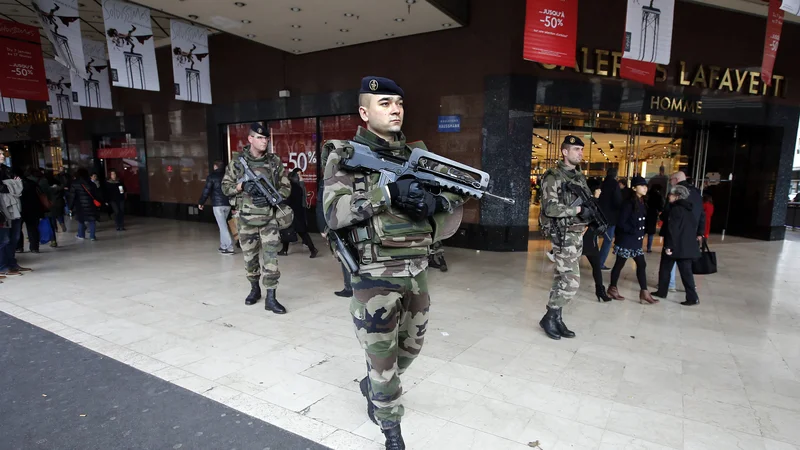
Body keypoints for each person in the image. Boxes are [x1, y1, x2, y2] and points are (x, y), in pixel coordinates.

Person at [322, 76, 467, 450]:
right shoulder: (344, 155)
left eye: (399, 102)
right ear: (364, 112)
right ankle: (390, 429)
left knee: (413, 346)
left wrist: (436, 203)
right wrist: (387, 193)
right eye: (384, 103)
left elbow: (453, 193)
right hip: (374, 274)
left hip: (416, 270)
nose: (395, 109)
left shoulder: (417, 156)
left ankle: (374, 383)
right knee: (383, 357)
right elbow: (334, 213)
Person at [222, 122, 292, 313]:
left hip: (269, 219)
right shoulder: (238, 162)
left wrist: (273, 199)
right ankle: (254, 290)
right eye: (260, 137)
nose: (265, 141)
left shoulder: (274, 161)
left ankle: (271, 297)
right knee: (250, 258)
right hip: (246, 220)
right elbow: (225, 187)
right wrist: (242, 187)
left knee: (271, 258)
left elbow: (286, 186)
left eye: (266, 137)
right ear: (250, 139)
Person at [538, 135, 593, 340]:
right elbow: (550, 208)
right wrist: (578, 209)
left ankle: (556, 319)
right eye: (576, 149)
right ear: (564, 151)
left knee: (561, 277)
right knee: (571, 281)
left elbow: (587, 203)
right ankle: (549, 317)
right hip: (563, 234)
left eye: (581, 149)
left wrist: (588, 218)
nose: (580, 153)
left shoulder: (579, 176)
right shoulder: (552, 176)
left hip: (577, 233)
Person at [606, 176, 658, 304]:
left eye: (646, 186)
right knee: (619, 264)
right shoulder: (628, 203)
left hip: (635, 241)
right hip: (626, 241)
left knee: (641, 264)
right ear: (634, 188)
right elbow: (621, 222)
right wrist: (633, 230)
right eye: (642, 186)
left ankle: (644, 292)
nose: (645, 188)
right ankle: (612, 288)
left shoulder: (641, 201)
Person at [653, 185, 701, 305]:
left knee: (665, 268)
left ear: (677, 196)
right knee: (686, 273)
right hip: (686, 245)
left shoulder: (675, 209)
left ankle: (662, 292)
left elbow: (672, 229)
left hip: (676, 245)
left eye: (671, 194)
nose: (669, 196)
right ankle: (692, 297)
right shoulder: (689, 208)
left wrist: (669, 246)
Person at [665, 171, 706, 290]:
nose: (670, 182)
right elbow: (702, 214)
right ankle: (690, 287)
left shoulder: (676, 193)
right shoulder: (697, 194)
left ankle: (670, 284)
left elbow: (668, 213)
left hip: (677, 232)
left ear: (676, 180)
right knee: (686, 262)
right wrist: (700, 232)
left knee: (670, 257)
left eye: (671, 180)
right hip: (691, 232)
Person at [0, 151, 30, 276]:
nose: (2, 156)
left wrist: (10, 185)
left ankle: (12, 264)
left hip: (14, 208)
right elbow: (7, 187)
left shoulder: (7, 169)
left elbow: (20, 185)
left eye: (2, 154)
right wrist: (12, 184)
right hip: (3, 209)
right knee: (4, 239)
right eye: (0, 154)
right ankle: (3, 267)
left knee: (14, 237)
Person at [278, 168, 319, 258]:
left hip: (291, 213)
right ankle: (312, 249)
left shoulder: (289, 188)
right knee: (302, 233)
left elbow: (288, 201)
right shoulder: (298, 188)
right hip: (298, 212)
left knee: (286, 231)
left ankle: (285, 250)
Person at [199, 160, 235, 255]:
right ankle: (223, 246)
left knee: (222, 226)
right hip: (228, 205)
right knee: (222, 225)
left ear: (215, 166)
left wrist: (201, 202)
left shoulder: (211, 177)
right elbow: (233, 191)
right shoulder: (228, 176)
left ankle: (229, 247)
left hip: (217, 205)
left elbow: (206, 190)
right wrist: (234, 205)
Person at [583, 178, 610, 302]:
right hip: (583, 238)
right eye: (598, 188)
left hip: (590, 239)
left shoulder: (594, 201)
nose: (600, 190)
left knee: (596, 266)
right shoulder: (586, 201)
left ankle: (600, 290)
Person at [598, 168, 622, 270]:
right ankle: (600, 262)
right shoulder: (614, 184)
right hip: (611, 217)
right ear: (616, 174)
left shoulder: (602, 184)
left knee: (591, 238)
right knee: (608, 240)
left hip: (599, 215)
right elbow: (617, 201)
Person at [15, 167, 44, 253]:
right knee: (33, 229)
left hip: (19, 209)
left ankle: (19, 247)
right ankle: (34, 247)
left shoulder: (14, 185)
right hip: (32, 209)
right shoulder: (32, 183)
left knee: (18, 229)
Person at [70, 168, 102, 241]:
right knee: (92, 220)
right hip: (91, 205)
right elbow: (96, 195)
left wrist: (70, 207)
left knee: (81, 220)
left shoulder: (75, 184)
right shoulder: (92, 183)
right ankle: (92, 236)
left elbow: (72, 196)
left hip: (80, 205)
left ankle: (81, 235)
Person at [46, 173, 66, 247]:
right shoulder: (59, 186)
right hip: (59, 203)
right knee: (59, 215)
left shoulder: (47, 187)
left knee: (51, 220)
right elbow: (63, 193)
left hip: (50, 205)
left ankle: (55, 232)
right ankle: (61, 223)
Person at [645, 184, 664, 253]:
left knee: (642, 230)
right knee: (651, 232)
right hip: (653, 214)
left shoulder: (647, 194)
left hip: (646, 213)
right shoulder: (658, 196)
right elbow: (661, 205)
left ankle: (638, 246)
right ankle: (648, 248)